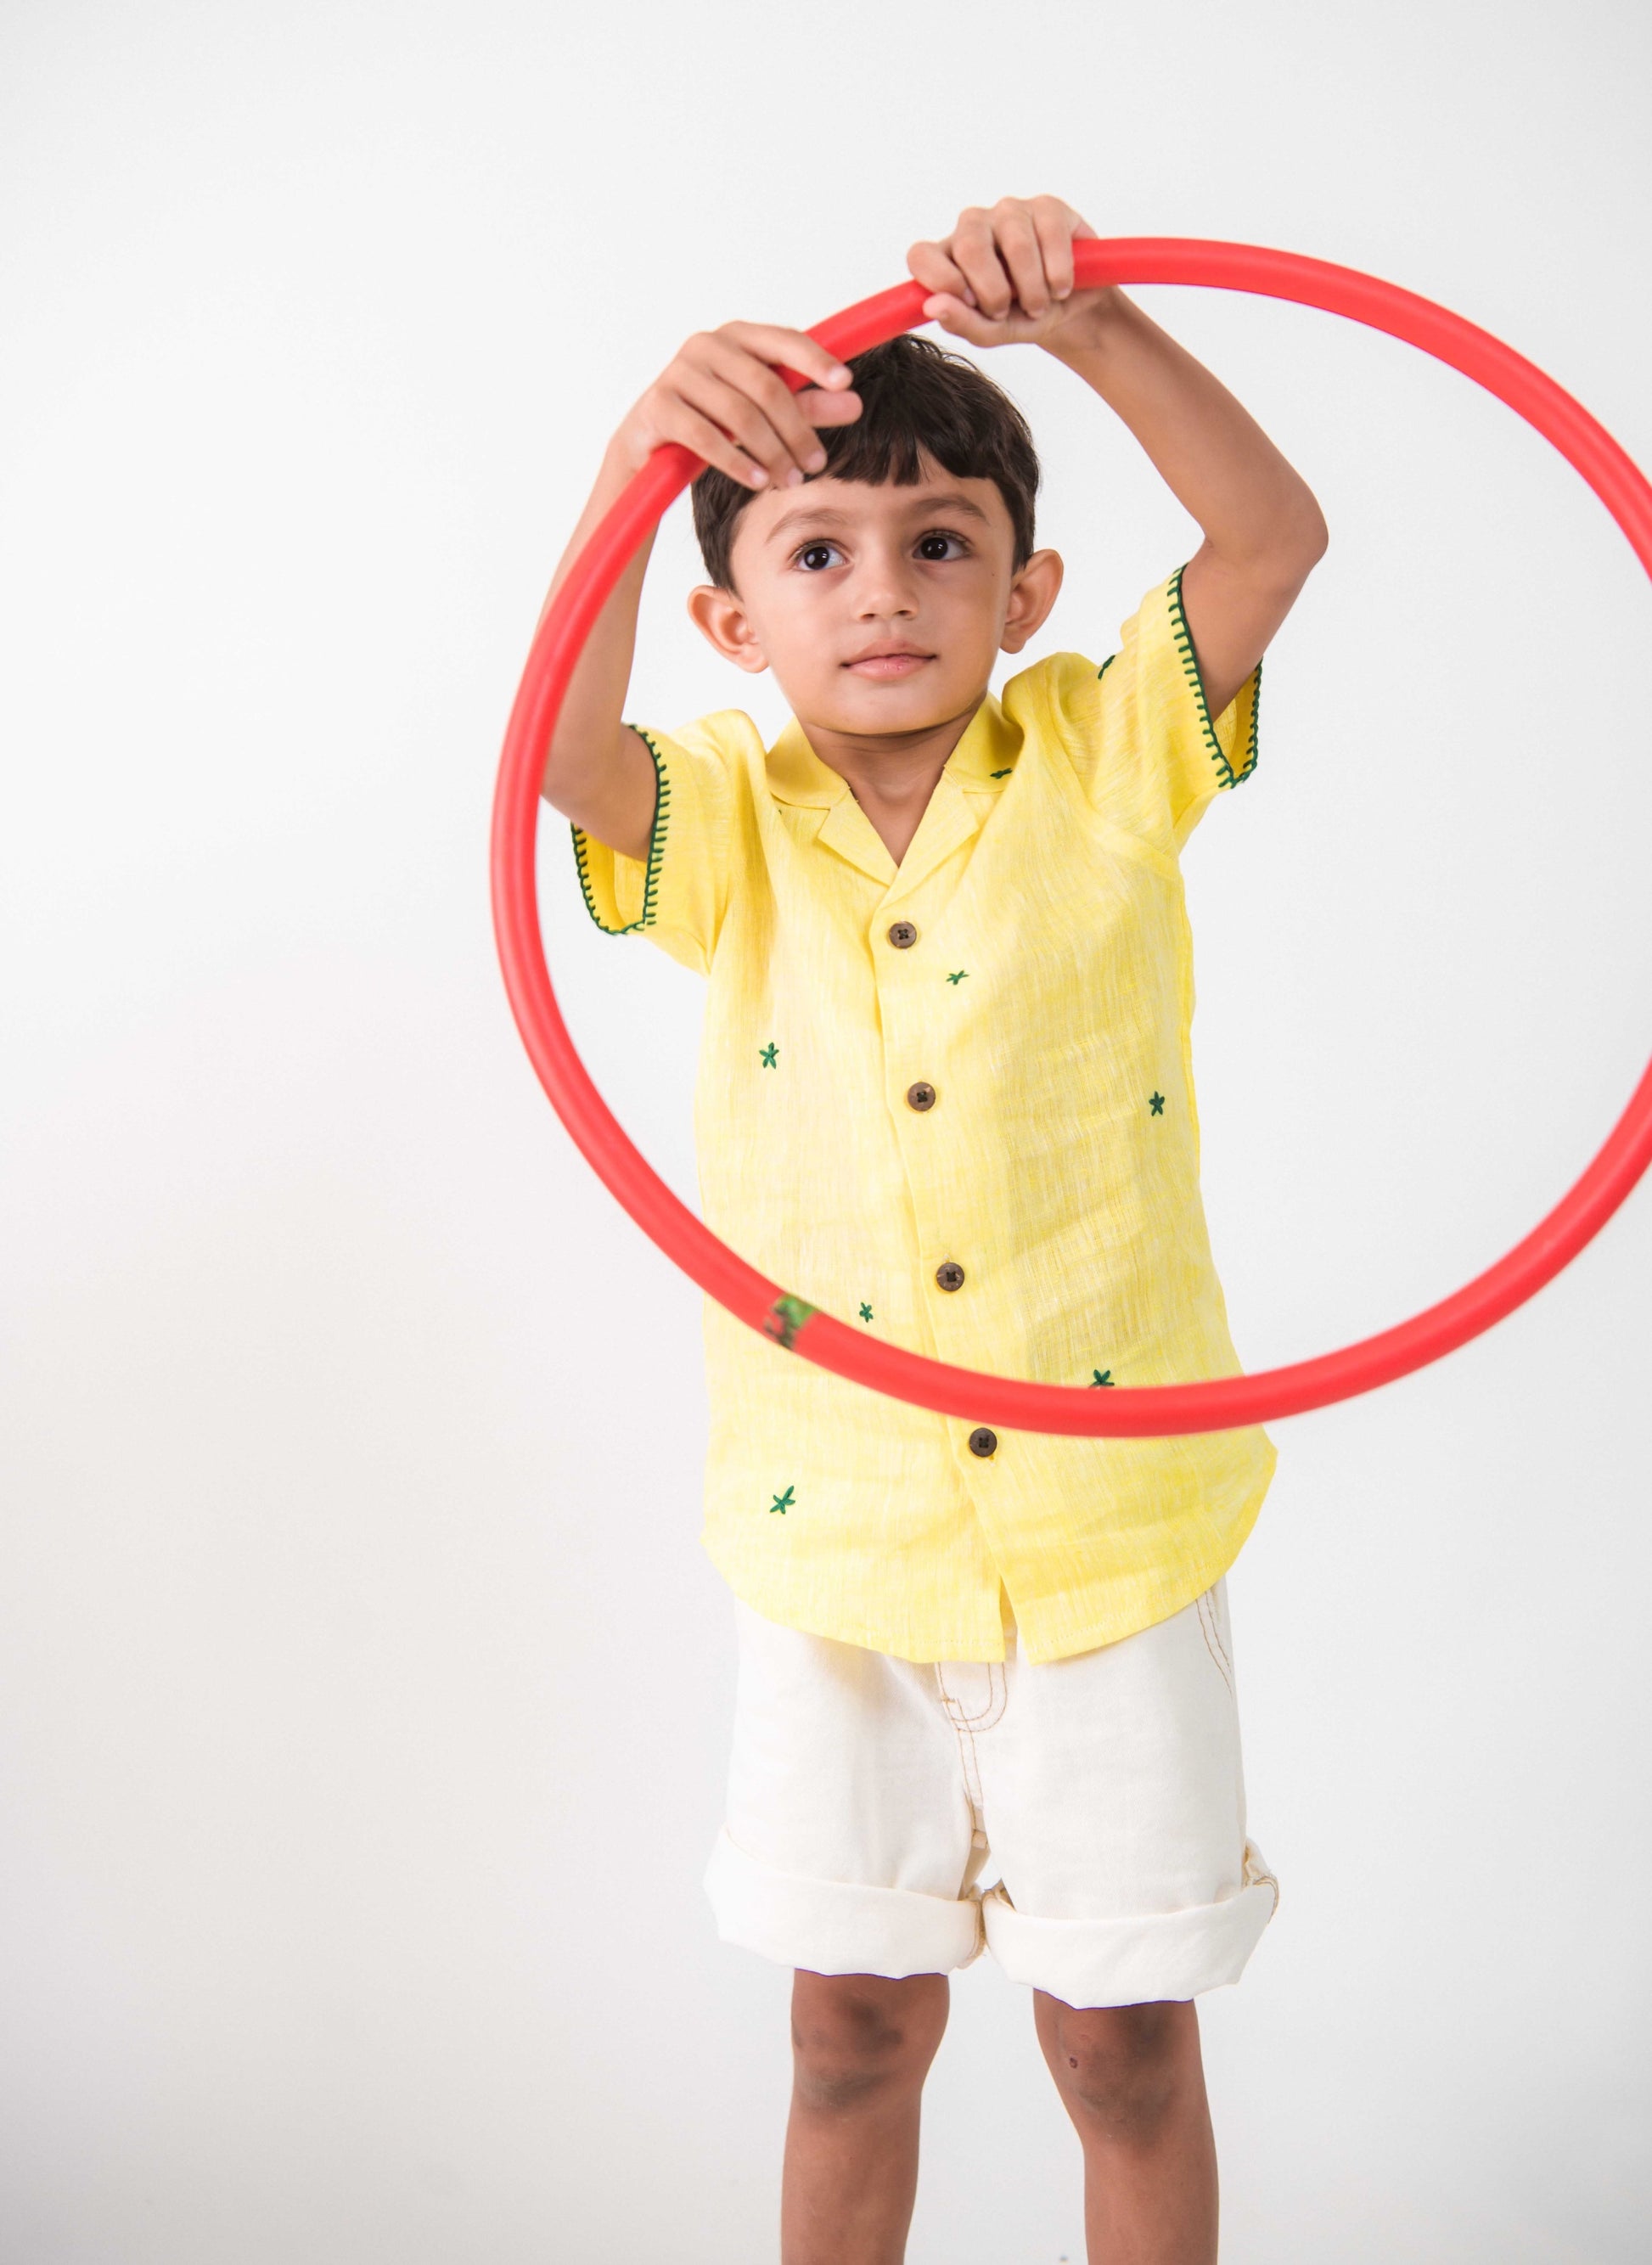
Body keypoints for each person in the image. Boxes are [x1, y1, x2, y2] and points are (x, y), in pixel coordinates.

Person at [539, 194, 1328, 2265]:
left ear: (1024, 582)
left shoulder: (1103, 750)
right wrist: (641, 454)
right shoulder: (718, 819)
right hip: (841, 1540)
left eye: (939, 541)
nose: (880, 591)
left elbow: (1270, 546)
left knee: (1123, 2052)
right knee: (846, 2034)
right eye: (815, 549)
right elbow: (545, 745)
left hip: (1107, 1537)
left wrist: (1097, 331)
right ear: (731, 617)